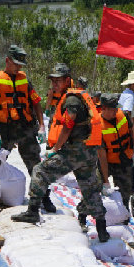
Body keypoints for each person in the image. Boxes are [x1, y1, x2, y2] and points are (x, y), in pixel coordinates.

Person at [12, 68, 110, 242]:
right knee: (90, 189)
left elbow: (68, 125)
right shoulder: (79, 96)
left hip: (75, 151)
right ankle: (102, 230)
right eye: (53, 80)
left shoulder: (72, 99)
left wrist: (56, 149)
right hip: (89, 152)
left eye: (58, 80)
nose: (54, 84)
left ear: (67, 81)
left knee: (40, 171)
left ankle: (32, 212)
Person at [0, 46, 46, 205]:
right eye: (16, 64)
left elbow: (36, 103)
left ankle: (43, 198)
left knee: (35, 164)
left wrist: (41, 126)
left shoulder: (24, 79)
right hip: (5, 129)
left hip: (26, 127)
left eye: (20, 65)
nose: (18, 67)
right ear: (7, 61)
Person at [97, 93, 134, 209]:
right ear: (103, 108)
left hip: (123, 160)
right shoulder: (97, 126)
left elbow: (131, 131)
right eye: (112, 109)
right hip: (107, 161)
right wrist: (105, 181)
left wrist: (132, 150)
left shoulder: (122, 115)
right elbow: (102, 156)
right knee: (94, 186)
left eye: (116, 108)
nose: (115, 111)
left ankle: (124, 218)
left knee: (125, 193)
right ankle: (83, 215)